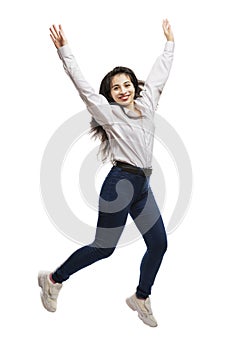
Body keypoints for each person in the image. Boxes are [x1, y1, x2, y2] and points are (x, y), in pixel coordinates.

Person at [38, 19, 175, 328]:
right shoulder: (107, 112)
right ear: (110, 95)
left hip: (142, 186)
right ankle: (53, 279)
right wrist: (64, 51)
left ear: (135, 86)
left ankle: (140, 298)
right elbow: (83, 84)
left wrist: (169, 44)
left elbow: (160, 74)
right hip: (120, 185)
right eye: (116, 87)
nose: (123, 90)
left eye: (127, 84)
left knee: (159, 244)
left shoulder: (148, 103)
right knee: (104, 248)